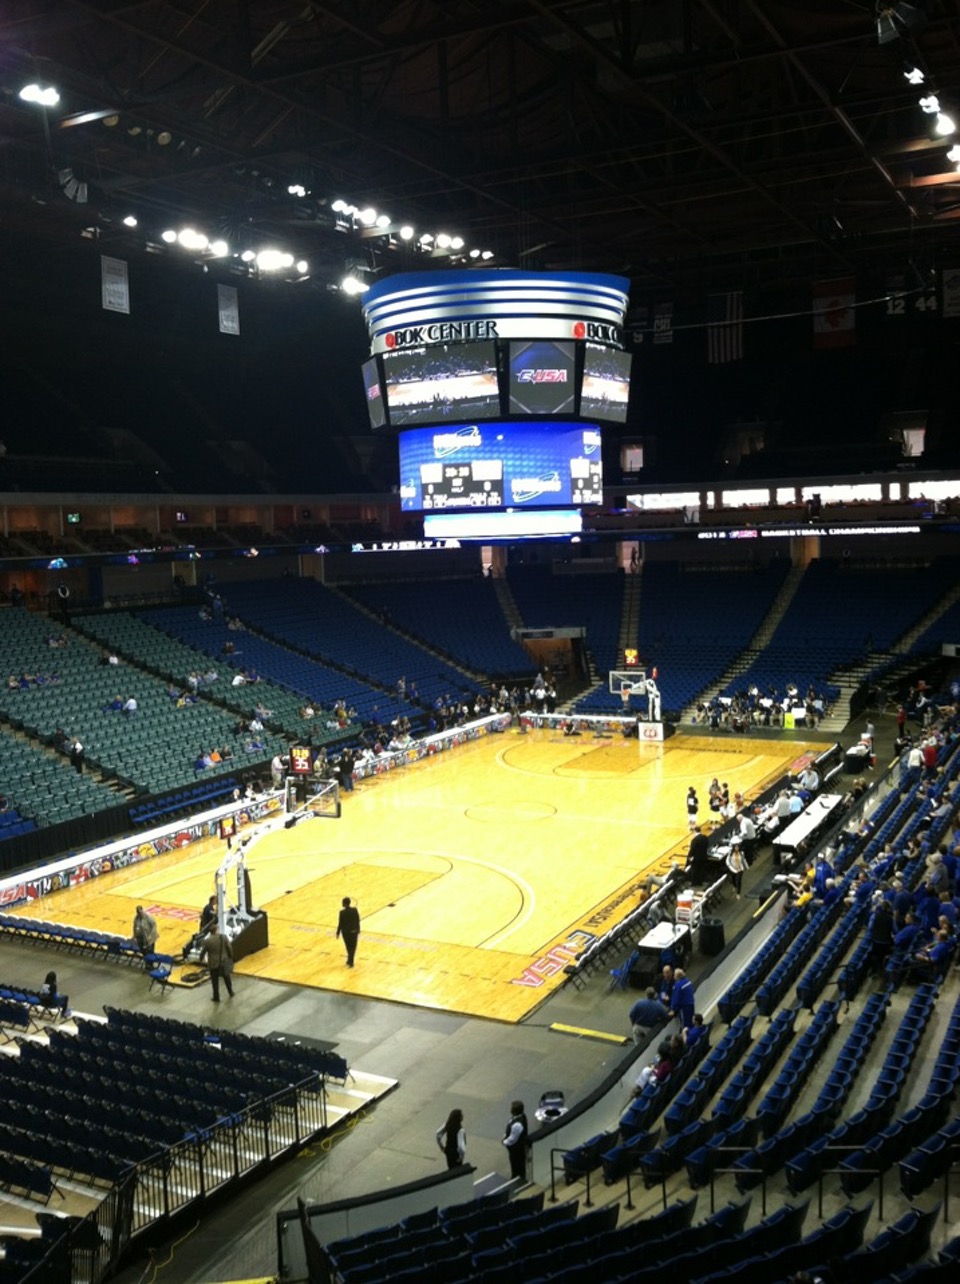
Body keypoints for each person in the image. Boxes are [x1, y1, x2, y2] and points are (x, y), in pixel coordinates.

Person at [198, 921, 234, 1001]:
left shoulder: (207, 941)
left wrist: (201, 960)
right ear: (217, 930)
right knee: (227, 978)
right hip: (223, 962)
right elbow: (229, 948)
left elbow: (203, 952)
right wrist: (231, 956)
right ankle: (230, 992)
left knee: (215, 981)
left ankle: (216, 997)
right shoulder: (223, 937)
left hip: (213, 964)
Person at [502, 1100, 528, 1181]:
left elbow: (513, 1139)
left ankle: (517, 1178)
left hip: (516, 1149)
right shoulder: (521, 1117)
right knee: (517, 1163)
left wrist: (504, 1142)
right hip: (517, 1147)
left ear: (514, 1111)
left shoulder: (517, 1124)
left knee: (516, 1164)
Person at [336, 896, 360, 967]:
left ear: (344, 903)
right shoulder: (354, 910)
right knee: (353, 947)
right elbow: (357, 920)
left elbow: (340, 923)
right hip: (353, 931)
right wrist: (358, 929)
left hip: (345, 933)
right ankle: (350, 961)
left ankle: (350, 961)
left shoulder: (342, 912)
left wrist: (338, 933)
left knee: (348, 947)